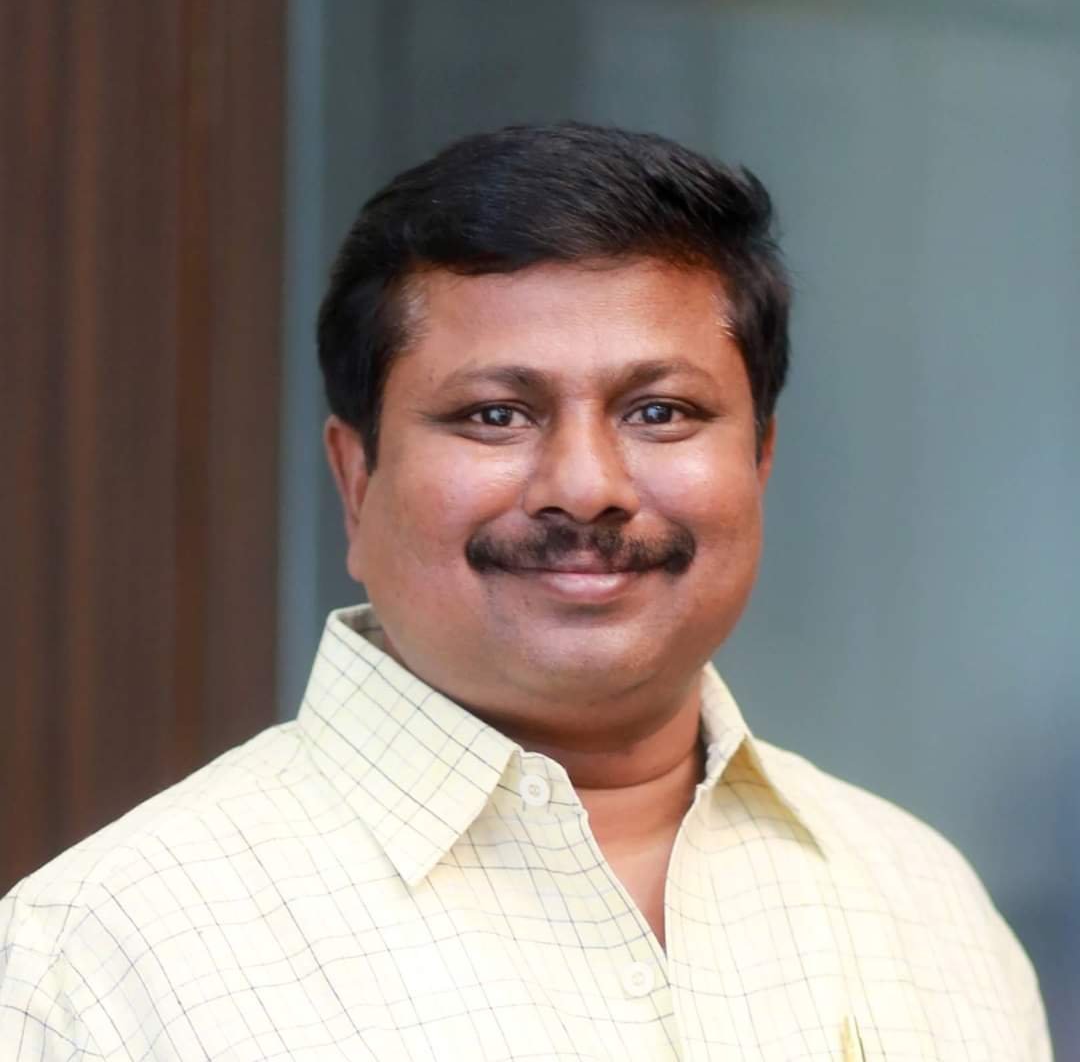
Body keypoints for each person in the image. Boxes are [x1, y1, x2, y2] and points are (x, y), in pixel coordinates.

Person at [0, 123, 1051, 1061]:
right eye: (496, 416)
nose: (586, 487)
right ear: (357, 480)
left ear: (760, 463)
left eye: (661, 412)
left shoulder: (921, 903)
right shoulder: (104, 959)